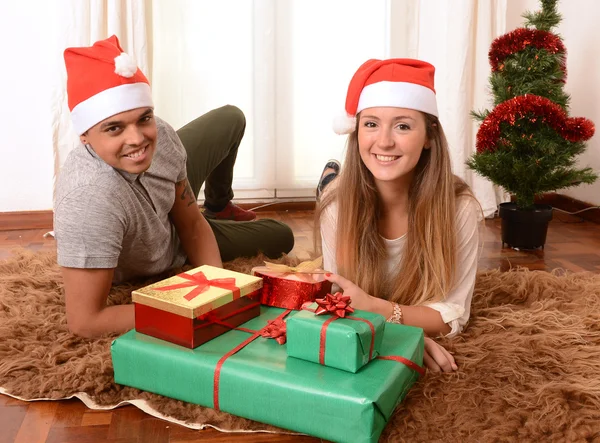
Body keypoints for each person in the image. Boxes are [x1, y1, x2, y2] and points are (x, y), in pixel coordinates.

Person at [54, 35, 294, 338]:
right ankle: (217, 219)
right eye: (114, 128)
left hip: (168, 213)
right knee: (280, 235)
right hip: (159, 248)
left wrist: (218, 287)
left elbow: (191, 223)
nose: (137, 138)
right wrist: (197, 310)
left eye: (144, 118)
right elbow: (85, 322)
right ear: (85, 136)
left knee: (230, 118)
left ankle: (220, 206)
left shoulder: (161, 137)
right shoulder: (88, 200)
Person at [315, 58, 481, 373]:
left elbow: (452, 315)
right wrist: (402, 336)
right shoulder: (336, 207)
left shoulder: (461, 210)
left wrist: (378, 310)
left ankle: (329, 176)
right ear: (356, 132)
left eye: (403, 125)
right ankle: (329, 179)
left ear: (429, 136)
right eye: (371, 124)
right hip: (337, 196)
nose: (385, 141)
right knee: (330, 194)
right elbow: (340, 300)